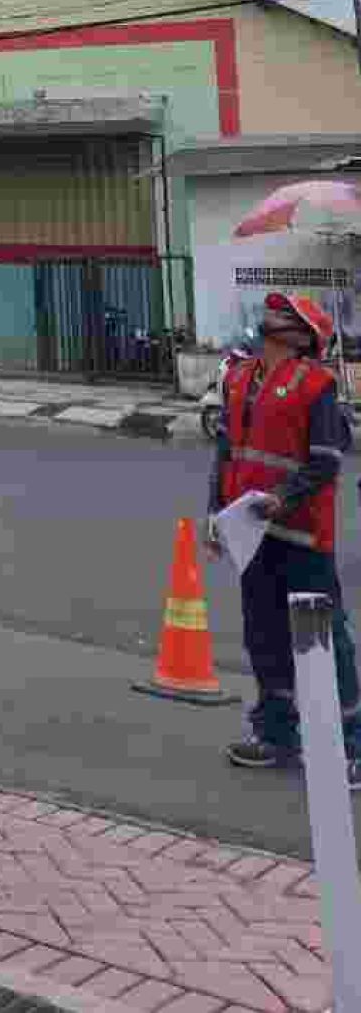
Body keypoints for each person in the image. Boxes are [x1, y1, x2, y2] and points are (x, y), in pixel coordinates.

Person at [206, 288, 360, 780]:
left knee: (324, 640)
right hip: (251, 533)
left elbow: (326, 462)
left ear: (299, 338)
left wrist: (283, 498)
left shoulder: (318, 386)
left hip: (302, 537)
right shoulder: (238, 377)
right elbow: (226, 453)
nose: (267, 318)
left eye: (280, 315)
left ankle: (353, 743)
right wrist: (216, 515)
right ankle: (275, 732)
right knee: (263, 635)